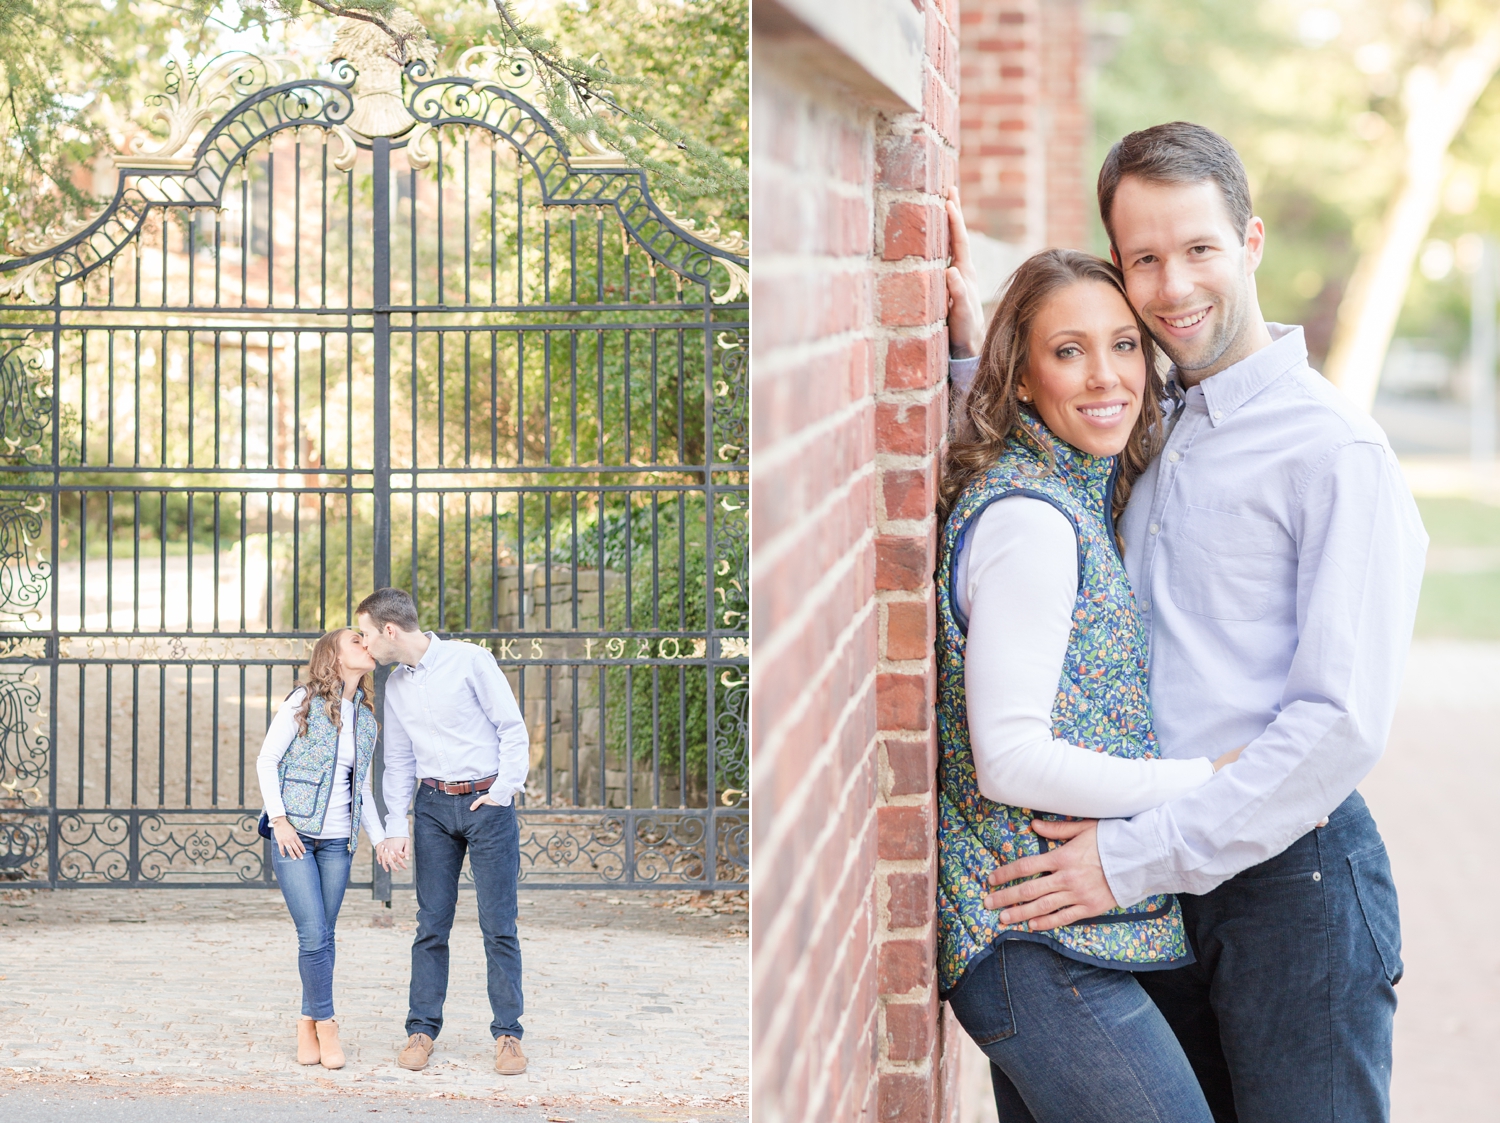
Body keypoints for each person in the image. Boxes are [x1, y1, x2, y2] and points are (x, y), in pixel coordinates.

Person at [951, 124, 1428, 1123]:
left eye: (1199, 249)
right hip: (1146, 886)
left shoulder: (1334, 451)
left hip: (1284, 883)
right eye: (1145, 260)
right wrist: (965, 354)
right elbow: (1040, 462)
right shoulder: (1145, 419)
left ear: (1250, 243)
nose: (1173, 288)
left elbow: (1337, 724)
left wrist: (1128, 858)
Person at [936, 245, 1248, 1121]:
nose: (1107, 375)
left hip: (1062, 937)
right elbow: (1007, 759)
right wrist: (1202, 781)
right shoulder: (1033, 521)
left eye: (1122, 345)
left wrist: (965, 353)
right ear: (1024, 378)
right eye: (1068, 351)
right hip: (1030, 943)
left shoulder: (1064, 486)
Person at [357, 587, 532, 1077]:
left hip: (486, 804)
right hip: (432, 806)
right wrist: (396, 825)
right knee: (431, 924)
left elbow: (511, 729)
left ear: (390, 630)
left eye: (368, 635)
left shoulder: (471, 661)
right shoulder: (394, 685)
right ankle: (421, 1029)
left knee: (499, 925)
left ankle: (508, 1036)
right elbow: (397, 762)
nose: (365, 644)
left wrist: (502, 791)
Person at [256, 627, 385, 1071]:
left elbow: (362, 786)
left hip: (337, 843)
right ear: (333, 655)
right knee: (313, 934)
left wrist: (381, 837)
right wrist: (279, 821)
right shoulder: (303, 701)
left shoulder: (365, 718)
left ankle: (306, 1023)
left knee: (324, 936)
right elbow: (266, 760)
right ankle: (327, 1024)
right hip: (295, 836)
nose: (366, 645)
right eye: (356, 640)